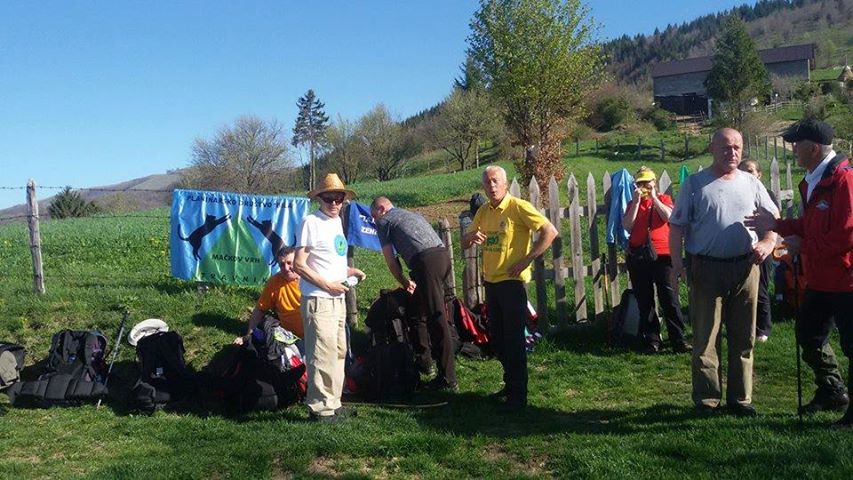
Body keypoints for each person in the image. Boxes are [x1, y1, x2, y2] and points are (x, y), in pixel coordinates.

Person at [745, 119, 852, 426]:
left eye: (796, 143)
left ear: (814, 148)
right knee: (808, 333)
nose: (792, 149)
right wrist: (777, 225)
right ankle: (832, 390)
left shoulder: (844, 180)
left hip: (847, 279)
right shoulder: (813, 180)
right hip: (821, 278)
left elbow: (846, 234)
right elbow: (811, 225)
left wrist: (803, 246)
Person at [669, 128, 779, 417]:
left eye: (737, 147)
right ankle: (707, 399)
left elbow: (773, 219)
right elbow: (677, 226)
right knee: (706, 337)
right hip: (706, 268)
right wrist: (678, 264)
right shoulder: (695, 184)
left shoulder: (751, 183)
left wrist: (768, 242)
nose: (732, 153)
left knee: (744, 337)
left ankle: (741, 399)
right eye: (726, 147)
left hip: (746, 268)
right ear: (712, 149)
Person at [461, 165, 558, 412]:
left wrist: (527, 259)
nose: (491, 186)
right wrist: (471, 238)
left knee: (514, 340)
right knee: (497, 339)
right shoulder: (483, 211)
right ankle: (510, 383)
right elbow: (464, 242)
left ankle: (519, 395)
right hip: (491, 284)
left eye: (496, 181)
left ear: (505, 184)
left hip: (512, 284)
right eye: (487, 182)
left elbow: (550, 231)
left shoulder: (518, 207)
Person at [294, 173, 366, 423]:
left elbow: (327, 261)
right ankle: (320, 409)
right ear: (319, 199)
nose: (334, 203)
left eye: (339, 198)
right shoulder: (310, 222)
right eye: (328, 198)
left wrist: (349, 272)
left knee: (338, 351)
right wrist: (327, 285)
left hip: (336, 297)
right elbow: (299, 264)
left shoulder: (336, 222)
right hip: (318, 299)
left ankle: (334, 403)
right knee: (321, 353)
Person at [370, 196, 457, 391]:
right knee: (417, 312)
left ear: (381, 209)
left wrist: (404, 282)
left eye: (373, 216)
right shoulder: (411, 214)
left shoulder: (384, 221)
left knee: (436, 317)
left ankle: (448, 378)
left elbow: (391, 262)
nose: (374, 220)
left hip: (426, 262)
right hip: (442, 257)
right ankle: (424, 363)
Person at [622, 166, 690, 354]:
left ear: (655, 183)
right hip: (639, 255)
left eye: (648, 183)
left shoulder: (664, 199)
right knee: (645, 300)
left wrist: (654, 199)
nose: (645, 186)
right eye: (641, 183)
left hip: (663, 255)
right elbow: (627, 226)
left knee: (669, 298)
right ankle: (652, 340)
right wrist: (637, 203)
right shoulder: (632, 203)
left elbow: (669, 217)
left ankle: (678, 339)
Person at [234, 246, 303, 346]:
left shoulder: (310, 280)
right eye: (282, 265)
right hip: (289, 337)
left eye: (289, 263)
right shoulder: (274, 282)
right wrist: (248, 336)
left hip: (315, 334)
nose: (286, 268)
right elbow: (259, 310)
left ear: (298, 261)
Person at [738, 159, 776, 342]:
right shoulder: (737, 194)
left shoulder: (766, 194)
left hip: (763, 246)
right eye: (742, 171)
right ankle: (746, 325)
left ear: (759, 174)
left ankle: (763, 327)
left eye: (750, 171)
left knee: (760, 288)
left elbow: (773, 218)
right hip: (743, 247)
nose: (746, 174)